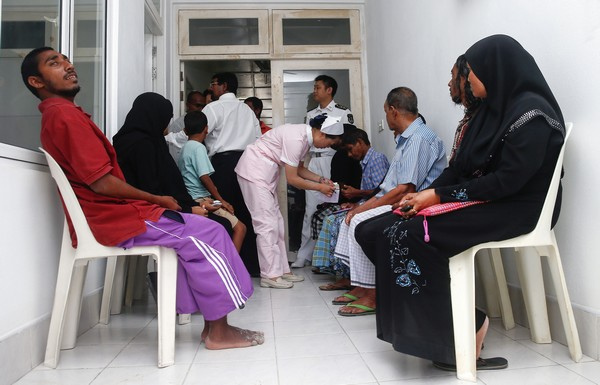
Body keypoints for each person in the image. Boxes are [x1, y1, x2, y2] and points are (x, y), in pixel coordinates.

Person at [23, 47, 263, 349]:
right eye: (54, 63)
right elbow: (101, 182)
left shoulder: (66, 115)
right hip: (115, 219)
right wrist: (158, 200)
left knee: (203, 227)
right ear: (36, 81)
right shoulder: (65, 117)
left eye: (67, 60)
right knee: (211, 232)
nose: (68, 66)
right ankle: (219, 332)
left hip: (118, 214)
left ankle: (210, 325)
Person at [356, 35, 565, 370]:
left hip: (520, 208)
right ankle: (427, 331)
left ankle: (470, 329)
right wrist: (423, 196)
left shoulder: (532, 114)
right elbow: (460, 169)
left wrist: (438, 196)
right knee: (376, 229)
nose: (467, 80)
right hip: (488, 198)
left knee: (412, 232)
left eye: (472, 74)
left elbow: (508, 182)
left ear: (495, 70)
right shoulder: (492, 112)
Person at [332, 87, 446, 316]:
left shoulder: (418, 139)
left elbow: (404, 189)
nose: (385, 117)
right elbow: (390, 188)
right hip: (395, 200)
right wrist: (360, 206)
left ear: (393, 111)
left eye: (385, 112)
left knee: (357, 221)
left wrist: (362, 208)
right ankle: (362, 286)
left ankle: (373, 294)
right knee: (351, 218)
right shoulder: (406, 140)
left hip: (410, 204)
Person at [235, 115, 344, 289]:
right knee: (266, 224)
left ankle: (282, 271)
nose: (328, 147)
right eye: (330, 143)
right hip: (254, 172)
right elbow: (293, 179)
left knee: (277, 223)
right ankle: (270, 274)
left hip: (265, 175)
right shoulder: (296, 138)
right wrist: (319, 188)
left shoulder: (304, 139)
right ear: (322, 134)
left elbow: (299, 169)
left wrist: (321, 179)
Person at [112, 92, 233, 236]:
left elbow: (167, 183)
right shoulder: (142, 145)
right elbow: (150, 190)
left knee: (222, 224)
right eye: (165, 119)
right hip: (150, 213)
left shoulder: (144, 140)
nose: (166, 126)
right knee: (220, 227)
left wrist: (195, 205)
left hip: (163, 207)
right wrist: (188, 210)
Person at [312, 127, 389, 289]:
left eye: (349, 149)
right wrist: (354, 202)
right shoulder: (364, 162)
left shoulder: (376, 160)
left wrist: (357, 194)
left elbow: (381, 193)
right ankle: (345, 274)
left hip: (378, 205)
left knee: (340, 221)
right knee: (330, 218)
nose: (349, 154)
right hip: (366, 203)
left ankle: (349, 277)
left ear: (360, 143)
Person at [292, 74, 354, 268]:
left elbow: (349, 138)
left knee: (333, 207)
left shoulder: (343, 112)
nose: (314, 91)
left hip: (334, 161)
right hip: (314, 163)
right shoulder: (311, 115)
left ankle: (329, 256)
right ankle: (304, 254)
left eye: (318, 87)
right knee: (311, 209)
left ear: (329, 90)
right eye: (314, 87)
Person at [203, 72, 262, 276]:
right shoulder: (247, 111)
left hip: (223, 165)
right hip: (247, 163)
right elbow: (258, 139)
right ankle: (250, 266)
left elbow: (199, 132)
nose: (211, 88)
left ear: (224, 86)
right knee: (247, 212)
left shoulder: (213, 108)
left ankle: (224, 266)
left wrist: (172, 139)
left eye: (213, 84)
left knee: (224, 213)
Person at [179, 110, 247, 252]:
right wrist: (221, 201)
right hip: (202, 199)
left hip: (192, 198)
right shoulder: (198, 148)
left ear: (185, 131)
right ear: (206, 129)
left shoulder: (184, 148)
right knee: (240, 228)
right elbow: (204, 177)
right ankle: (231, 269)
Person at [165, 90, 207, 162]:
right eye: (197, 105)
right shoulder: (178, 125)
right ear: (188, 105)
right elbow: (175, 154)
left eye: (203, 106)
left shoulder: (202, 121)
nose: (201, 109)